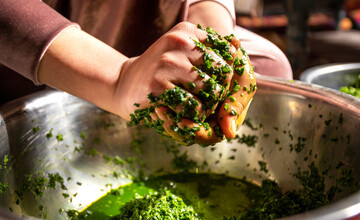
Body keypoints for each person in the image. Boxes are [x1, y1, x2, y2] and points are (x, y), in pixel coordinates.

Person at [0, 0, 292, 145]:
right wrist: (118, 77)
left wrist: (210, 43)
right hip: (41, 45)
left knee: (269, 68)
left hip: (162, 26)